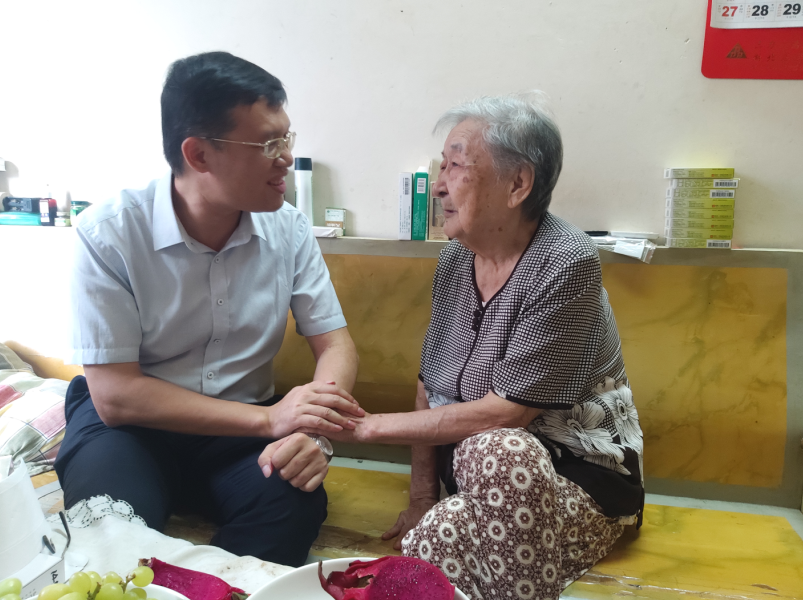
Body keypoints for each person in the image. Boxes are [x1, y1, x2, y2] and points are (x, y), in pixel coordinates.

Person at [314, 94, 644, 599]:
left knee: (498, 453)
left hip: (576, 480)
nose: (439, 184)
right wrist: (421, 497)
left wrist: (365, 427)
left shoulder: (566, 261)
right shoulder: (455, 260)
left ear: (518, 184)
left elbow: (508, 413)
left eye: (455, 166)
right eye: (441, 166)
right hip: (475, 479)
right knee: (428, 540)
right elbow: (429, 386)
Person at [54, 51, 362, 567]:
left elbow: (335, 343)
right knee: (107, 527)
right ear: (198, 154)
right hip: (129, 432)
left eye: (286, 138)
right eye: (268, 144)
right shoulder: (109, 234)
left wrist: (311, 430)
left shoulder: (289, 229)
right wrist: (271, 420)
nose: (287, 157)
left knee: (292, 504)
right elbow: (116, 395)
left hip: (239, 428)